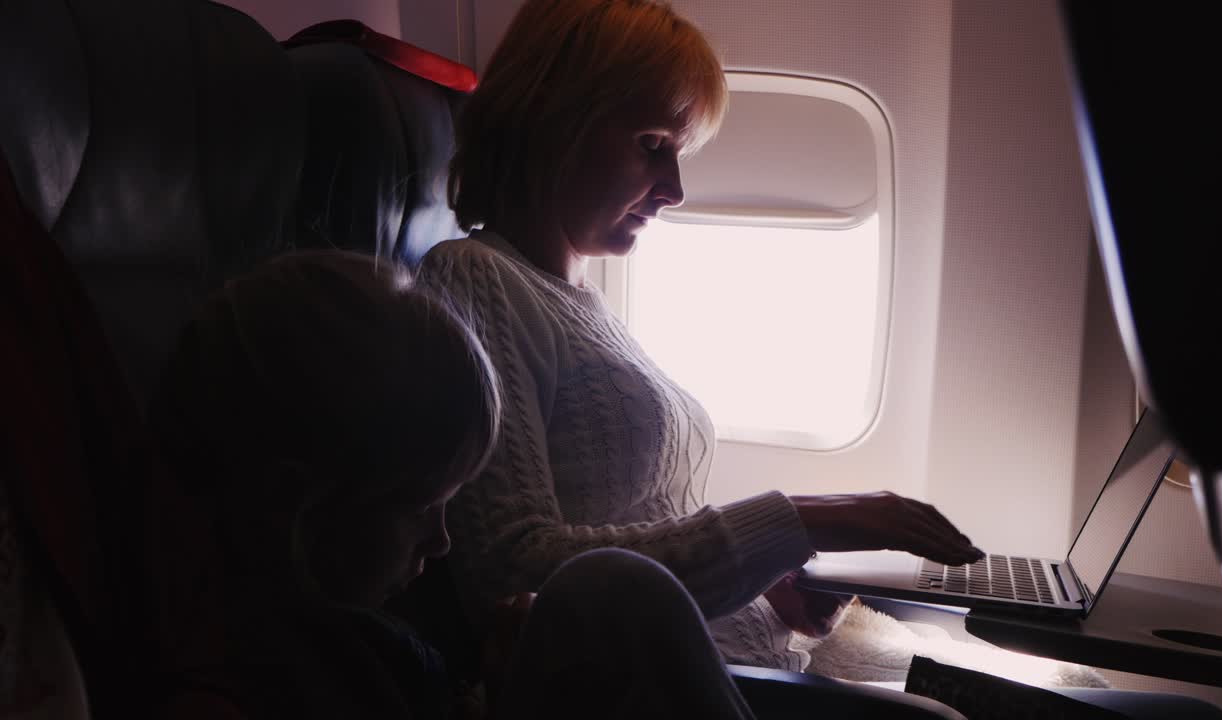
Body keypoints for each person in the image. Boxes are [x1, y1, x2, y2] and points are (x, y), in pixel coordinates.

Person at [424, 0, 983, 673]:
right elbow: (511, 567)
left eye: (679, 152)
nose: (676, 189)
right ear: (553, 120)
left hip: (742, 660)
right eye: (653, 145)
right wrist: (800, 520)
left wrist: (763, 576)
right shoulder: (475, 280)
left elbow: (640, 523)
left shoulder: (583, 304)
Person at [145, 251, 761, 719]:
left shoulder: (353, 644)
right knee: (617, 590)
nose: (442, 542)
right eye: (421, 507)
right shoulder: (243, 686)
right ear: (291, 505)